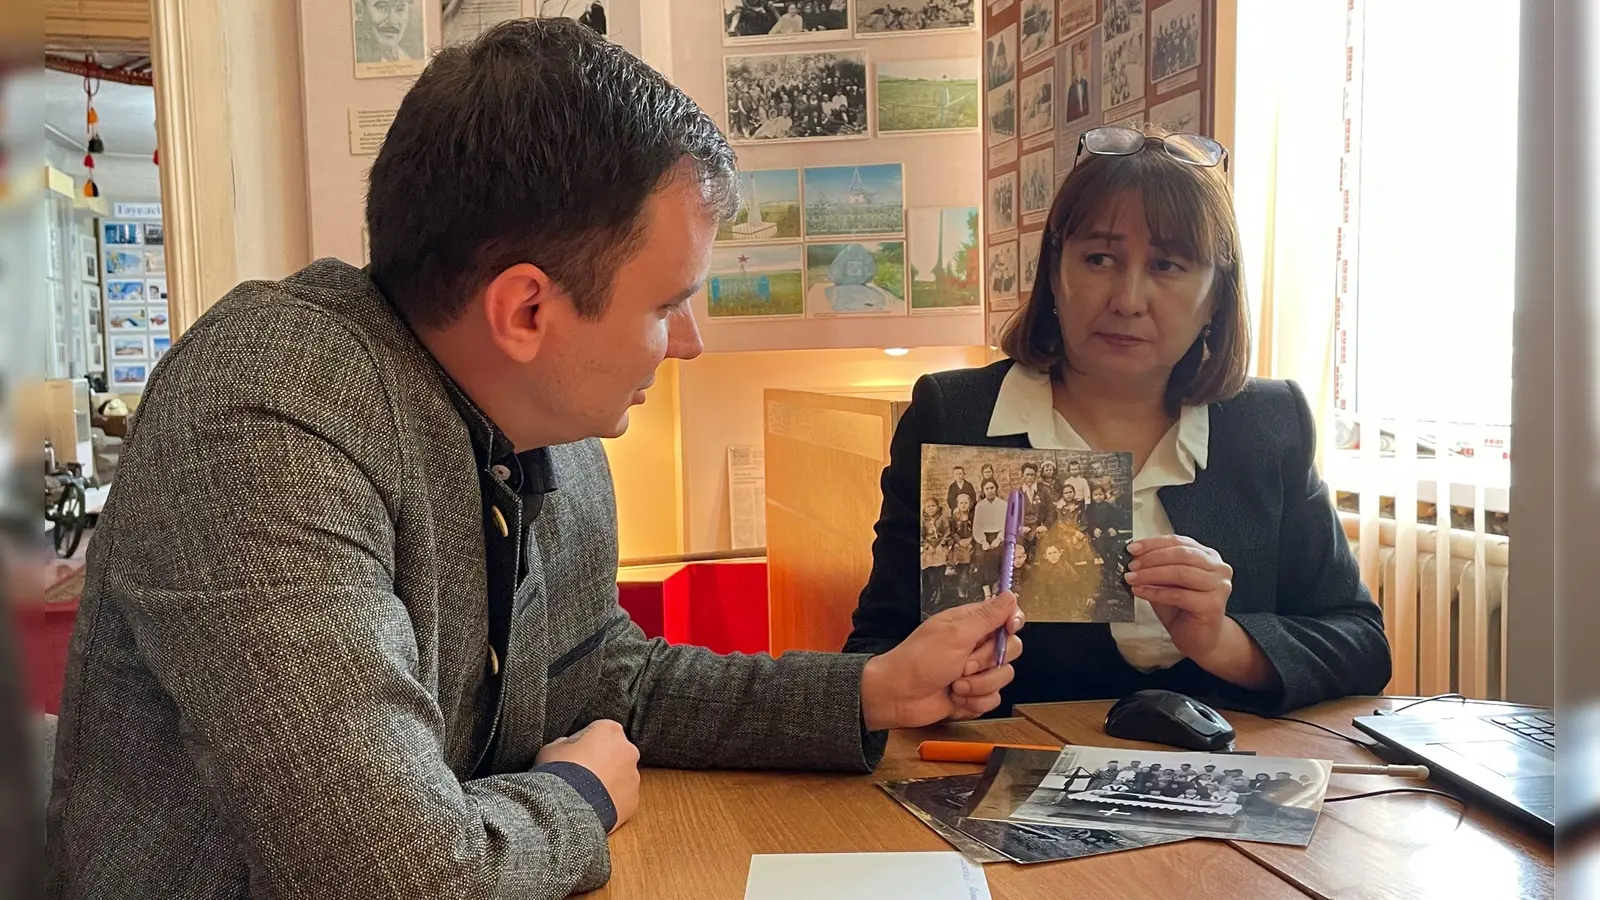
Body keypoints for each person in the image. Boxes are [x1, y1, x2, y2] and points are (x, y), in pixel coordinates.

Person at [45, 21, 1024, 900]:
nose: (688, 343)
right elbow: (391, 876)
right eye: (666, 305)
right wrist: (575, 795)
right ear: (525, 310)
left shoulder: (550, 432)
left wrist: (869, 689)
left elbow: (606, 679)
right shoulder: (263, 416)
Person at [844, 125, 1391, 717]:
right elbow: (875, 651)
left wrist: (1222, 642)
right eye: (1099, 258)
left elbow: (1359, 642)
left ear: (1216, 296)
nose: (1128, 299)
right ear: (1055, 273)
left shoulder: (1267, 423)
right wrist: (935, 687)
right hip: (1008, 763)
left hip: (1228, 767)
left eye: (1167, 264)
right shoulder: (956, 417)